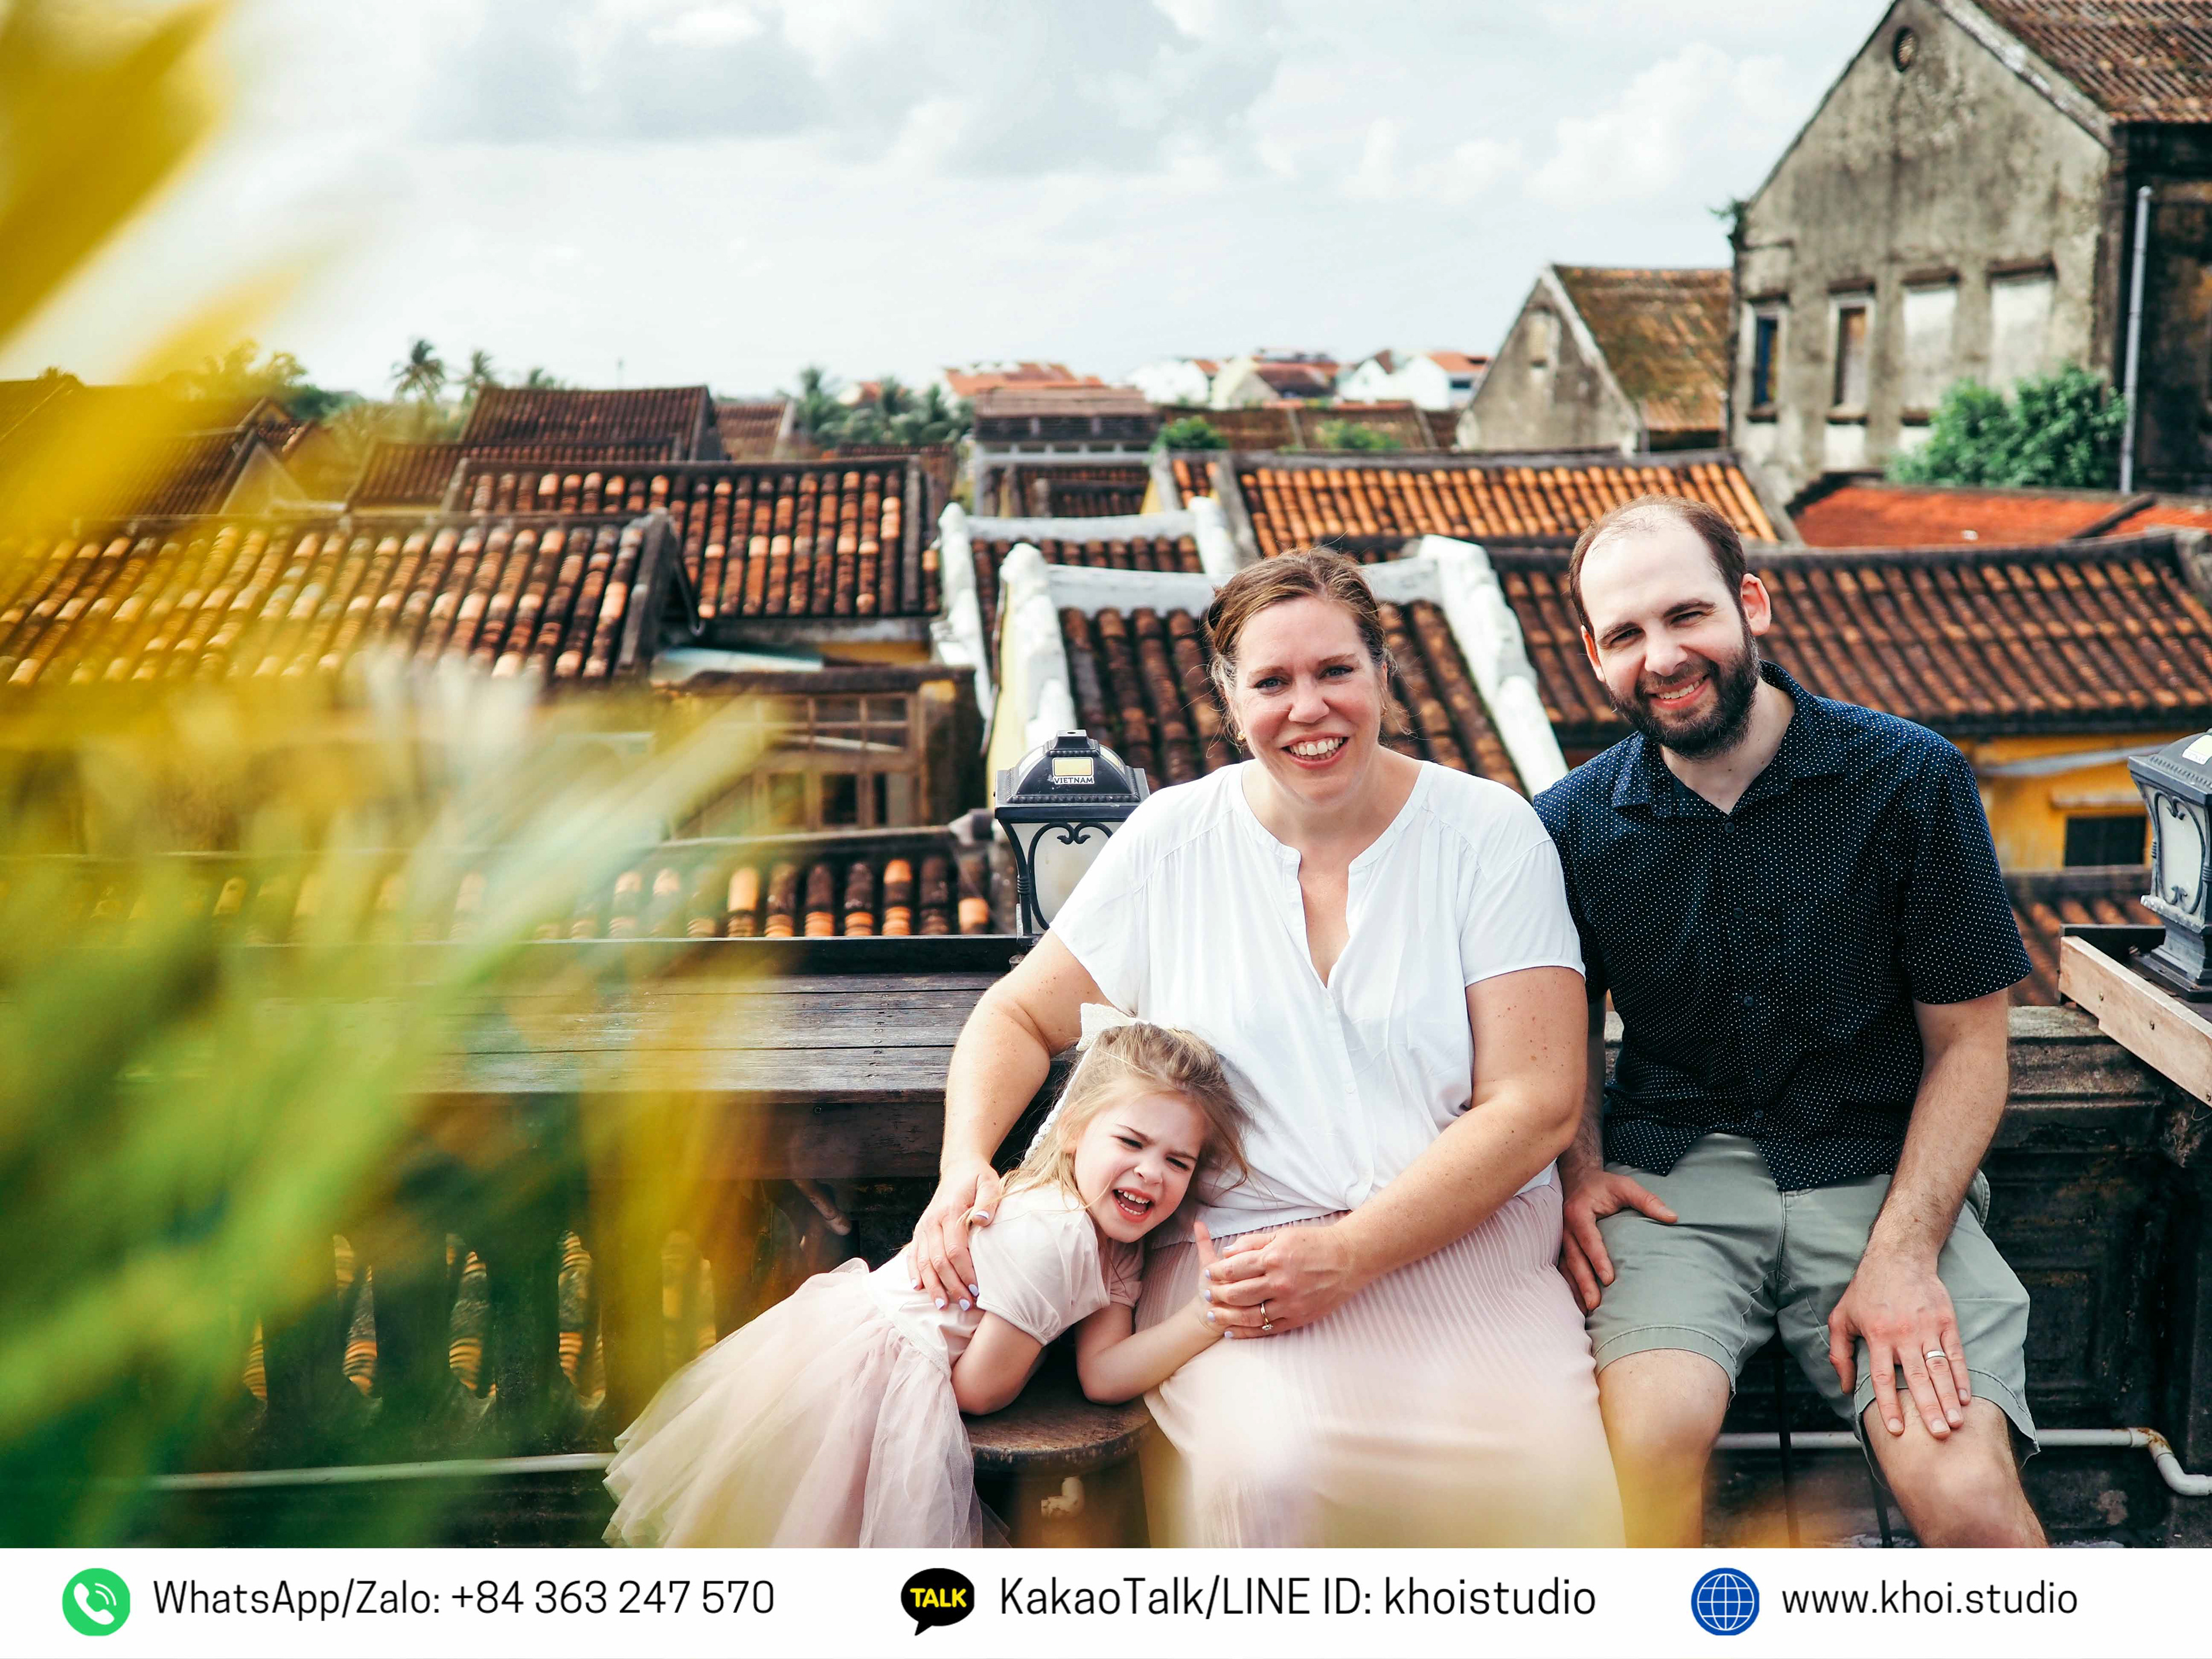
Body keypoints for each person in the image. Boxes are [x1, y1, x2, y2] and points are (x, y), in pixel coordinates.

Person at [911, 550, 1624, 1547]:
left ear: (1384, 673)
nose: (1310, 708)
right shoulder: (1172, 839)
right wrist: (961, 1169)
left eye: (1336, 671)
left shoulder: (1487, 833)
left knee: (1551, 1493)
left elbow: (1537, 1101)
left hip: (1467, 1248)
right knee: (1269, 1481)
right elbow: (1017, 1017)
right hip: (1238, 1276)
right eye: (1273, 682)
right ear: (1228, 698)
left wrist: (1349, 1254)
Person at [1535, 494, 2044, 1547]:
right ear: (1593, 655)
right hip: (1674, 1180)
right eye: (1625, 635)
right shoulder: (1570, 824)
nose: (1664, 656)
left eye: (1688, 615)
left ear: (1752, 603)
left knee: (1966, 1499)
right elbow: (1561, 1025)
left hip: (1880, 1175)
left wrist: (1905, 1256)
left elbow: (1970, 1044)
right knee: (1642, 1453)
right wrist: (1580, 1169)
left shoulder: (1909, 780)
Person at [603, 1016, 1248, 1547]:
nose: (1150, 1173)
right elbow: (979, 1390)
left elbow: (1102, 1374)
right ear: (1076, 1132)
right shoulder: (1058, 1233)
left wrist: (1205, 1316)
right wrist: (1037, 1345)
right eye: (1132, 1142)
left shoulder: (1115, 1247)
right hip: (871, 1380)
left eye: (1178, 1160)